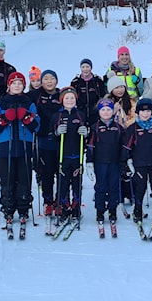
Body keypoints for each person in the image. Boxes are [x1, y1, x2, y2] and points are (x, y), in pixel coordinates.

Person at [0, 72, 40, 231]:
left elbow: (37, 125)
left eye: (20, 83)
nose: (17, 86)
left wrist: (28, 118)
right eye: (14, 83)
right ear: (9, 85)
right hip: (6, 146)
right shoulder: (1, 103)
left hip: (24, 145)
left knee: (24, 178)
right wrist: (4, 118)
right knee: (8, 179)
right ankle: (8, 208)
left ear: (24, 86)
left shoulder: (28, 102)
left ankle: (24, 208)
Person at [121, 98, 152, 224]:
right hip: (139, 165)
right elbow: (127, 148)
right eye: (142, 111)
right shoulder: (133, 129)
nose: (145, 114)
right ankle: (137, 212)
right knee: (140, 189)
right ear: (138, 112)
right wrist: (124, 163)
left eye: (148, 111)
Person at [87, 99, 125, 235]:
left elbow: (123, 146)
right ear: (99, 112)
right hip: (100, 162)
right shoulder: (95, 128)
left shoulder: (118, 128)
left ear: (113, 111)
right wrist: (89, 162)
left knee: (114, 186)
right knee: (101, 187)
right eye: (103, 110)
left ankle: (112, 210)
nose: (106, 112)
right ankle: (100, 211)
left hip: (114, 162)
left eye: (108, 109)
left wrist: (125, 161)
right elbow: (90, 146)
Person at [51, 87, 87, 225]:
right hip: (63, 156)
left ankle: (76, 209)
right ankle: (64, 208)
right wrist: (56, 132)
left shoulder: (80, 115)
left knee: (77, 183)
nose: (70, 100)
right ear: (62, 100)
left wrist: (86, 132)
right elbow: (50, 135)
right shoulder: (57, 116)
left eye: (72, 98)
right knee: (63, 183)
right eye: (67, 98)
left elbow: (88, 133)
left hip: (77, 155)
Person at [33, 70, 63, 215]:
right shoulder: (35, 95)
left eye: (52, 78)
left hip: (60, 140)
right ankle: (48, 202)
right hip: (43, 139)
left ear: (56, 81)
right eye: (46, 78)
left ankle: (60, 200)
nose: (49, 81)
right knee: (47, 173)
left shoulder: (61, 95)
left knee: (61, 172)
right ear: (41, 81)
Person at [105, 75, 136, 204]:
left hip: (128, 136)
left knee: (127, 165)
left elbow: (136, 117)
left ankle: (129, 192)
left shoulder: (131, 101)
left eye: (121, 87)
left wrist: (125, 125)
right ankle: (115, 192)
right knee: (114, 165)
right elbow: (103, 118)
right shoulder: (107, 102)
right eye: (116, 88)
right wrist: (113, 112)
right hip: (112, 138)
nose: (119, 90)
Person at [72, 58, 107, 127]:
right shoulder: (76, 82)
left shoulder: (97, 80)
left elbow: (103, 94)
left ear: (91, 68)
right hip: (81, 112)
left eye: (87, 67)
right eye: (83, 67)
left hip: (95, 113)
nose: (85, 69)